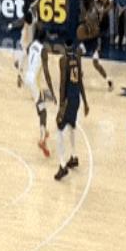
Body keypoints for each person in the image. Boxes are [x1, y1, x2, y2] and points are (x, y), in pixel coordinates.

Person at [55, 38, 89, 181]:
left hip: (68, 99)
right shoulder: (77, 58)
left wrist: (61, 105)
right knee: (71, 126)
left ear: (64, 47)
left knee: (59, 129)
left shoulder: (63, 60)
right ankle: (74, 157)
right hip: (76, 99)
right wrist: (85, 102)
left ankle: (62, 165)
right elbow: (80, 81)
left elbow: (63, 83)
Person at [25, 27, 57, 157]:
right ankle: (43, 139)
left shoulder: (31, 44)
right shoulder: (43, 51)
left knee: (40, 104)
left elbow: (27, 52)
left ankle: (44, 130)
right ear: (44, 38)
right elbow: (47, 74)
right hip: (34, 82)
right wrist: (52, 92)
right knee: (43, 111)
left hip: (28, 77)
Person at [77, 0, 113, 91]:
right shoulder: (86, 13)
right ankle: (80, 73)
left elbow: (96, 31)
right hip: (87, 40)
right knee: (77, 53)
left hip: (93, 40)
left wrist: (88, 35)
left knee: (95, 63)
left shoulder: (92, 15)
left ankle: (108, 80)